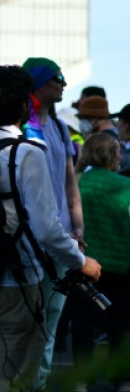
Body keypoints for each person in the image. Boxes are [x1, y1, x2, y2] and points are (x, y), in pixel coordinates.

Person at [0, 65, 100, 391]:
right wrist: (82, 262)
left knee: (6, 368)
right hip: (16, 281)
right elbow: (47, 229)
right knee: (18, 381)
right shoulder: (26, 152)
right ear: (24, 106)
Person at [21, 57, 86, 389]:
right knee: (23, 324)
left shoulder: (61, 128)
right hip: (26, 241)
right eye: (58, 77)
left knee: (50, 320)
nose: (63, 83)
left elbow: (70, 186)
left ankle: (39, 385)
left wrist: (77, 230)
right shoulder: (22, 127)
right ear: (40, 83)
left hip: (59, 241)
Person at [72, 133, 130, 390]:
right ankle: (121, 379)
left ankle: (82, 379)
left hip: (84, 264)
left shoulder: (77, 182)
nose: (120, 158)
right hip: (121, 266)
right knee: (121, 325)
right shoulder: (125, 186)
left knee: (83, 324)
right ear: (110, 156)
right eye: (117, 153)